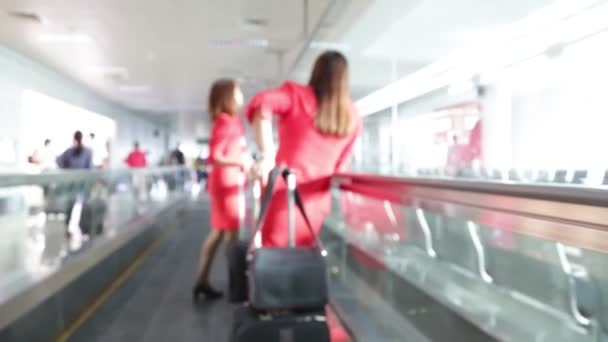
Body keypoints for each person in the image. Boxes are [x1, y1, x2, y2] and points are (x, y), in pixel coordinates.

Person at [246, 50, 361, 247]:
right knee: (301, 260)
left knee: (274, 259)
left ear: (316, 71)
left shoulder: (298, 96)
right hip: (315, 203)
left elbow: (261, 103)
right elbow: (341, 169)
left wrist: (267, 154)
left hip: (282, 195)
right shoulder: (352, 116)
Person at [193, 79, 249, 300]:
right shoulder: (225, 122)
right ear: (228, 96)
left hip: (228, 183)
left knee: (219, 234)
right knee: (230, 236)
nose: (241, 95)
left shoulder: (230, 120)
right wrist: (241, 161)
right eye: (237, 91)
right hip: (227, 185)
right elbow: (215, 156)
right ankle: (236, 286)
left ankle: (203, 280)